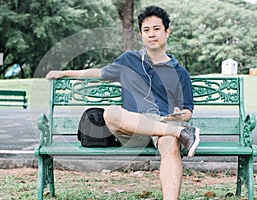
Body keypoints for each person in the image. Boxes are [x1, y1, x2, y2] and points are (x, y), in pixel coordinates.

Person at [46, 5, 200, 200]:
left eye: (156, 29)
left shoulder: (180, 73)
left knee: (171, 146)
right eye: (146, 30)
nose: (151, 34)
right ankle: (181, 133)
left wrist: (180, 115)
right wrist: (66, 72)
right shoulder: (129, 60)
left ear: (167, 32)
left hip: (163, 125)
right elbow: (100, 73)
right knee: (110, 113)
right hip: (133, 128)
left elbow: (188, 111)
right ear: (141, 34)